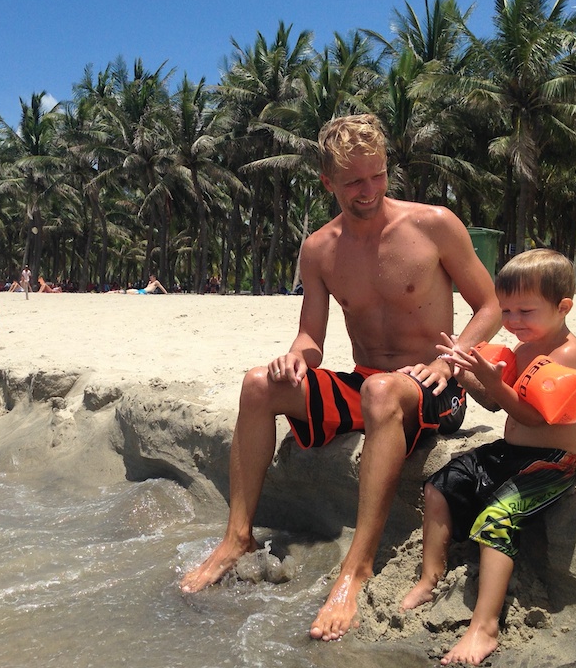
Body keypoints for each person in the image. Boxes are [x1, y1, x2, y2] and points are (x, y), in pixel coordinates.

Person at [178, 113, 501, 641]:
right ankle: (237, 537)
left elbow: (489, 305)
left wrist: (451, 359)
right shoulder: (320, 249)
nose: (369, 190)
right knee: (258, 383)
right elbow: (311, 337)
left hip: (436, 388)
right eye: (354, 181)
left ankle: (358, 566)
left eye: (377, 175)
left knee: (379, 390)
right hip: (369, 383)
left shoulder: (433, 225)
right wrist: (294, 358)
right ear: (327, 182)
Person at [400, 249, 576, 666]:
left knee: (497, 517)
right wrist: (463, 370)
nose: (513, 321)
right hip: (511, 451)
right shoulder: (522, 347)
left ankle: (484, 626)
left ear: (563, 308)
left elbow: (530, 414)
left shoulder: (568, 355)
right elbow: (493, 402)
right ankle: (429, 576)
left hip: (551, 459)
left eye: (525, 311)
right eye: (506, 310)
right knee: (440, 485)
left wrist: (492, 379)